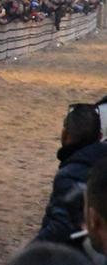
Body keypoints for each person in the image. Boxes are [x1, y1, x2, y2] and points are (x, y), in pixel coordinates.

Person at [36, 103, 107, 248]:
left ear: (65, 134)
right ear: (100, 136)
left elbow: (59, 228)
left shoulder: (69, 175)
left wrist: (30, 253)